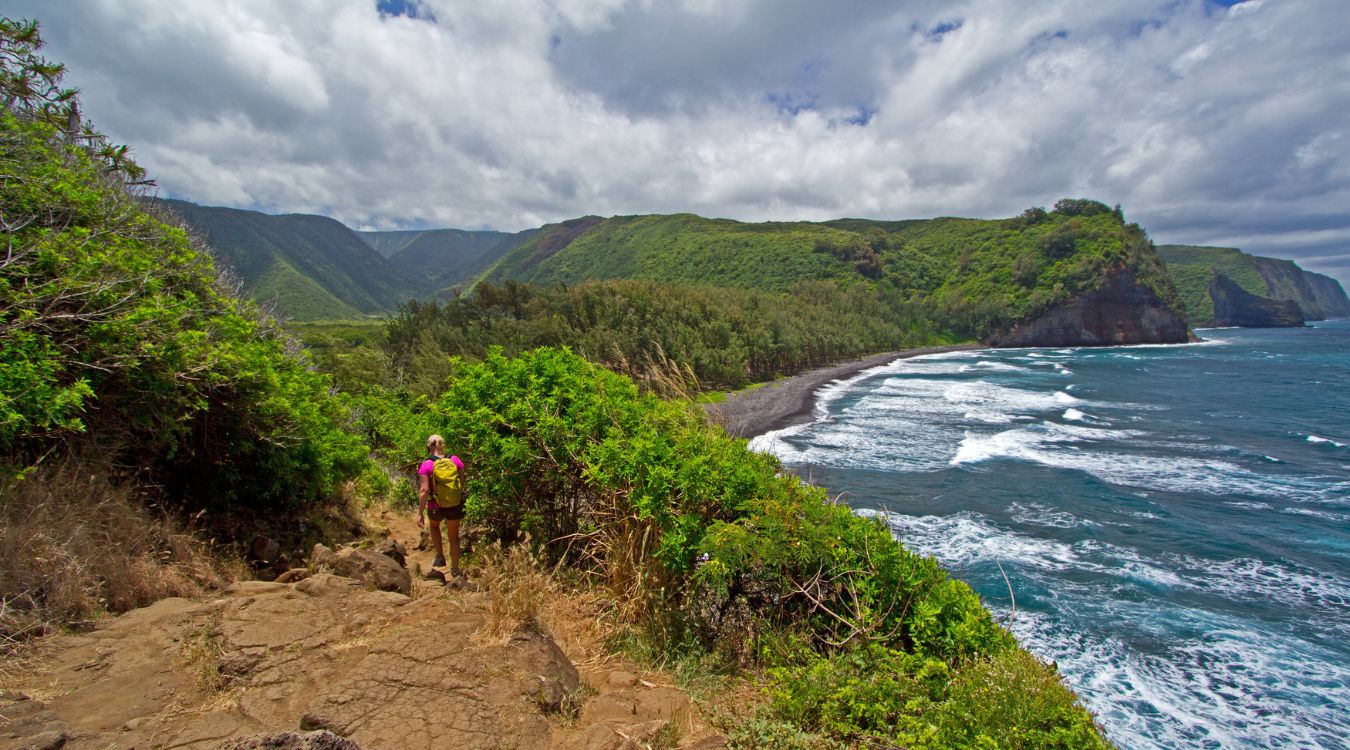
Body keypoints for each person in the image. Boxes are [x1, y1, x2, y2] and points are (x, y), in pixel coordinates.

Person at [417, 434, 465, 575]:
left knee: (434, 526)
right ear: (442, 445)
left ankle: (440, 557)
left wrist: (420, 512)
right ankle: (455, 569)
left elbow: (424, 490)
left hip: (435, 506)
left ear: (429, 446)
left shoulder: (427, 465)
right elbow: (462, 479)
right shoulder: (455, 460)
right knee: (454, 537)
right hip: (455, 504)